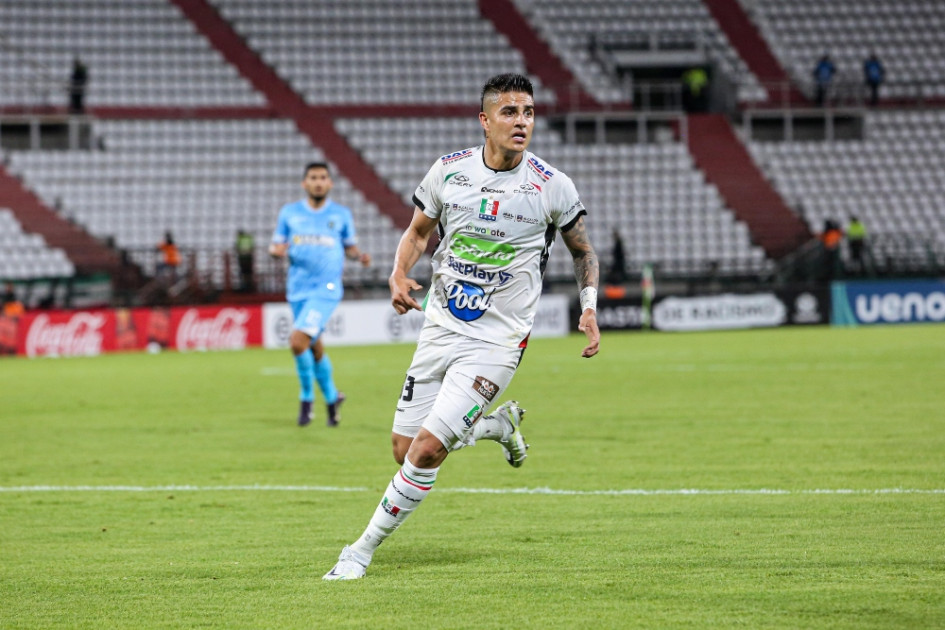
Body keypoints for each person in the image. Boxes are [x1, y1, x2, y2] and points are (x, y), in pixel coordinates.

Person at [323, 73, 601, 581]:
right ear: (485, 120)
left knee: (427, 450)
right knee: (403, 450)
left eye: (529, 113)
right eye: (510, 112)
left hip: (497, 341)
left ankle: (358, 551)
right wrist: (398, 272)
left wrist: (589, 305)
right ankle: (496, 426)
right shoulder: (449, 172)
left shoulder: (552, 185)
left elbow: (582, 250)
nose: (522, 122)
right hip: (439, 327)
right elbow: (417, 232)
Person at [269, 162, 371, 427]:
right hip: (297, 290)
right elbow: (277, 244)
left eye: (323, 178)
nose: (318, 182)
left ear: (330, 183)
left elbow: (349, 247)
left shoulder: (341, 214)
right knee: (314, 347)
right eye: (313, 178)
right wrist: (275, 251)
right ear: (305, 183)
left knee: (297, 341)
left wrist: (359, 256)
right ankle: (332, 398)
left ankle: (306, 400)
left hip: (326, 290)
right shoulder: (289, 213)